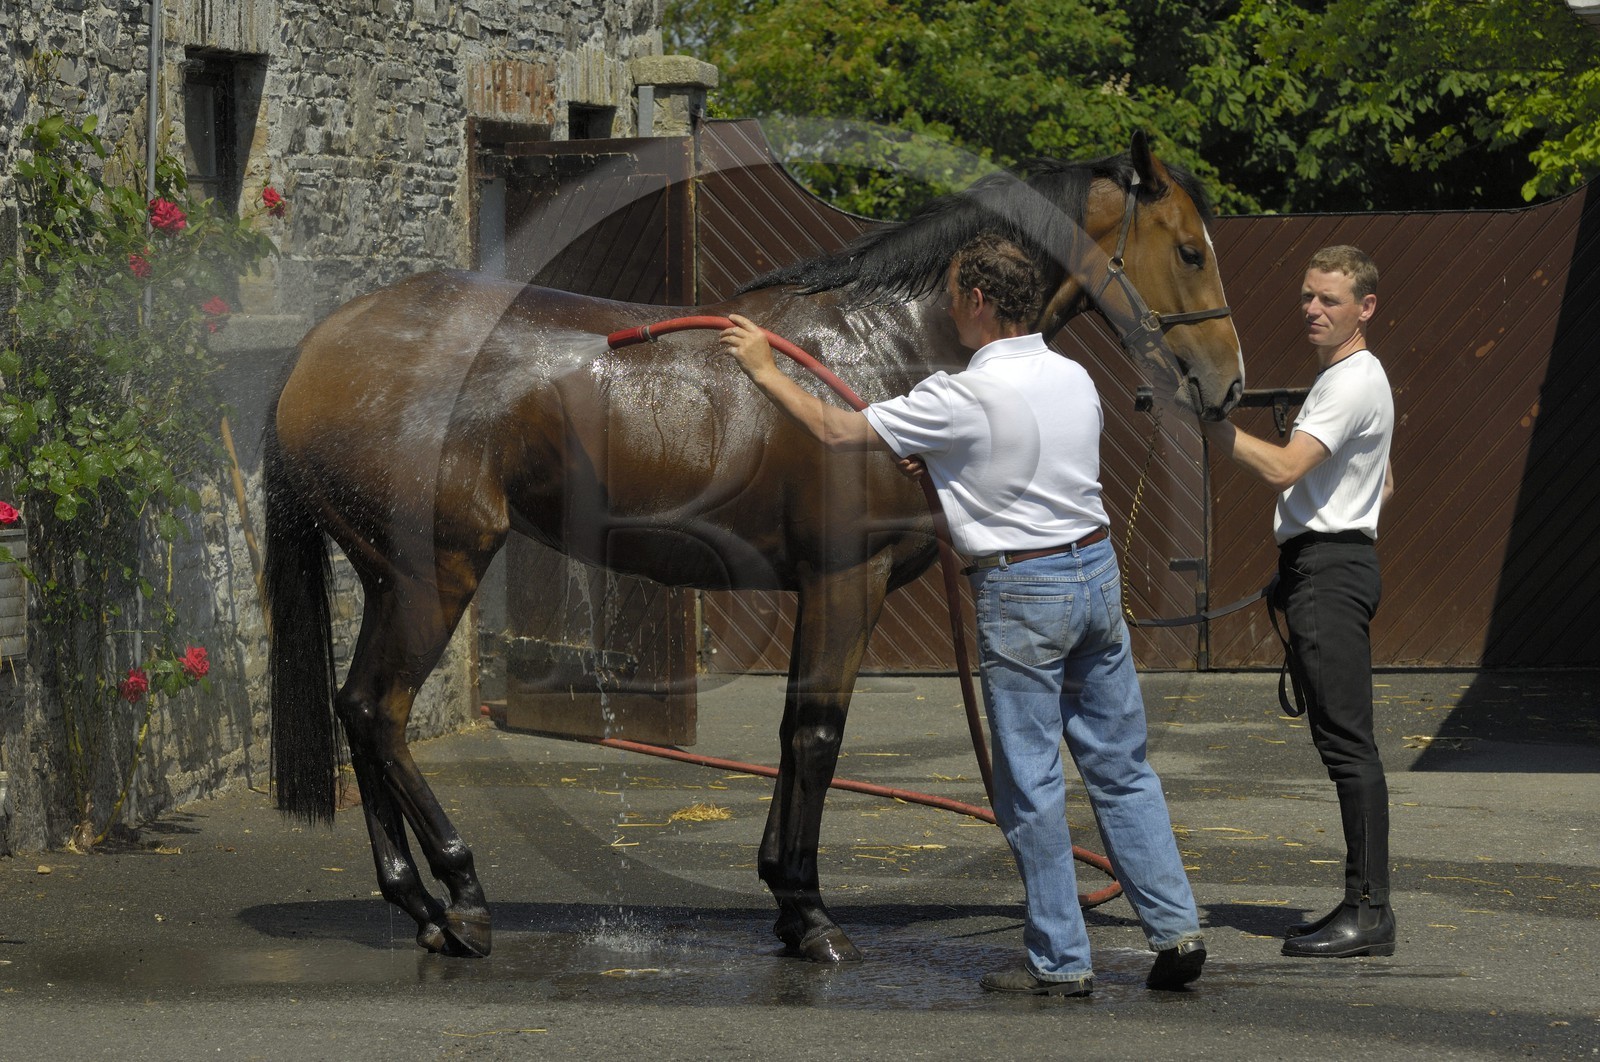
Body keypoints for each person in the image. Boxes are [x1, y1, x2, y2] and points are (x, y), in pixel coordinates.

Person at [720, 232, 1206, 995]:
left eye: (954, 298)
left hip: (1026, 594)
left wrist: (762, 367)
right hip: (1095, 578)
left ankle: (1060, 962)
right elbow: (1025, 475)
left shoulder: (959, 394)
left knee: (1031, 783)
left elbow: (837, 430)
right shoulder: (1074, 377)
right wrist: (943, 471)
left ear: (978, 302)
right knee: (1120, 765)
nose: (951, 311)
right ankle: (1176, 931)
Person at [1200, 244, 1397, 958]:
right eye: (1308, 296)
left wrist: (1212, 428)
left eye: (1330, 300)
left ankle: (1369, 912)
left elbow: (1284, 467)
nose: (1313, 309)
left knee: (1349, 746)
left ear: (1365, 308)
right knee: (1343, 742)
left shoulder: (1350, 381)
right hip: (1328, 564)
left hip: (1331, 570)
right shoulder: (1352, 378)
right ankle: (1363, 905)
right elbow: (1384, 481)